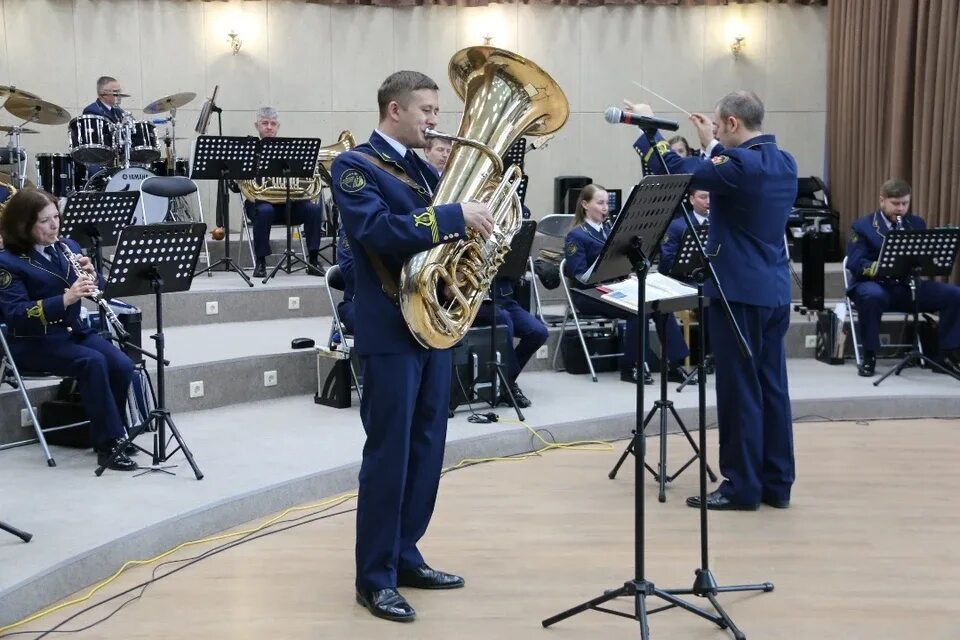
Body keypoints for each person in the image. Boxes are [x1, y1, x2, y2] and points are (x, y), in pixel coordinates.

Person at [331, 70, 494, 623]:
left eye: (435, 110)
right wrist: (454, 215)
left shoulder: (426, 170)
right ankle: (373, 577)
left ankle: (405, 554)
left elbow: (442, 236)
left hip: (434, 327)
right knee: (389, 454)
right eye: (426, 109)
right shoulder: (354, 166)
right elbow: (378, 231)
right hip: (388, 330)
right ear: (394, 110)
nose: (434, 119)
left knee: (427, 448)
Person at [636, 90, 796, 512]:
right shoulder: (784, 161)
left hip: (738, 293)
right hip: (775, 292)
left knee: (740, 390)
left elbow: (675, 169)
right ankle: (777, 484)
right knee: (772, 388)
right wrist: (710, 144)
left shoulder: (738, 165)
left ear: (731, 124)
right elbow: (728, 174)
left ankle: (741, 487)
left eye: (719, 124)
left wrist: (648, 129)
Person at [0, 189, 137, 472]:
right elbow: (16, 315)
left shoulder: (68, 246)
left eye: (56, 217)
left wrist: (94, 276)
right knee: (92, 361)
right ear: (23, 225)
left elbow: (101, 291)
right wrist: (66, 298)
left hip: (72, 333)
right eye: (45, 221)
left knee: (122, 364)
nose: (54, 226)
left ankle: (114, 430)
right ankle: (108, 443)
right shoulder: (8, 262)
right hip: (33, 341)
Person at [563, 184, 689, 383]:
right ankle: (631, 367)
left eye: (607, 203)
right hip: (589, 293)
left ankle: (674, 363)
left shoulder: (609, 230)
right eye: (600, 203)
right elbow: (579, 275)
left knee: (659, 305)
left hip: (613, 288)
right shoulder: (576, 235)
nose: (606, 208)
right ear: (585, 205)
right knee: (637, 310)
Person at [846, 179, 960, 377]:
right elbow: (855, 263)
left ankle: (947, 354)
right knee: (873, 297)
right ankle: (869, 355)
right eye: (895, 204)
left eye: (905, 203)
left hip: (906, 287)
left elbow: (923, 260)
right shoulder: (863, 226)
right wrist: (882, 267)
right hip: (873, 284)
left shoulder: (915, 223)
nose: (900, 208)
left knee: (954, 295)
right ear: (882, 200)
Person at [244, 107, 326, 278]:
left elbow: (305, 179)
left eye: (273, 124)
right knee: (265, 210)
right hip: (260, 205)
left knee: (313, 209)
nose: (269, 127)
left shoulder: (290, 150)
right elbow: (239, 185)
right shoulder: (249, 150)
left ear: (278, 127)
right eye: (264, 123)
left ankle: (313, 259)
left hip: (290, 205)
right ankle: (261, 262)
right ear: (256, 126)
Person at [472, 275, 548, 408]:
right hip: (475, 301)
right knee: (504, 319)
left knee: (538, 332)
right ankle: (508, 386)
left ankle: (507, 379)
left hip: (503, 298)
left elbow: (513, 274)